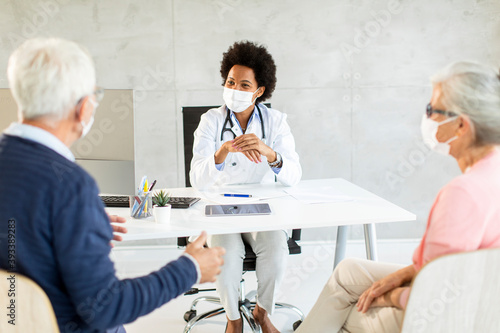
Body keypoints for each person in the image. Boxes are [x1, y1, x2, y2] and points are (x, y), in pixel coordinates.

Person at [0, 38, 225, 333]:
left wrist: (69, 226)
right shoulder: (70, 186)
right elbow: (104, 307)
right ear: (83, 108)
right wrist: (190, 269)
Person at [295, 61, 500, 333]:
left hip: (450, 317)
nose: (427, 118)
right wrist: (404, 274)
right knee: (348, 271)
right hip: (482, 295)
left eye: (432, 110)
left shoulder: (463, 194)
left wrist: (390, 297)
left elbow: (434, 298)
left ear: (461, 125)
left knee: (343, 314)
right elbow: (449, 266)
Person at [189, 41, 302, 333]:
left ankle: (263, 312)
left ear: (259, 90)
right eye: (230, 82)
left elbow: (294, 175)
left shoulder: (276, 123)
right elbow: (196, 179)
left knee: (276, 249)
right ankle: (233, 318)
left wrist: (270, 153)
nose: (235, 89)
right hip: (220, 206)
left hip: (261, 207)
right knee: (225, 255)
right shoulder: (211, 121)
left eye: (244, 84)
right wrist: (222, 152)